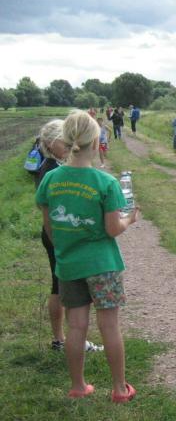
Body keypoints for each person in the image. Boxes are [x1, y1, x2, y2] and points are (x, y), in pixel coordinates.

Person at [35, 110, 139, 402]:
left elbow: (50, 227)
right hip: (103, 265)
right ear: (95, 142)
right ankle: (119, 389)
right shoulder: (105, 183)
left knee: (76, 326)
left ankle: (78, 386)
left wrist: (65, 248)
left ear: (67, 140)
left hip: (69, 264)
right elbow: (112, 229)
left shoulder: (50, 179)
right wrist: (129, 219)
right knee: (109, 325)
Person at [34, 119, 103, 354]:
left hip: (56, 233)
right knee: (61, 287)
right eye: (63, 140)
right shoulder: (52, 170)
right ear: (51, 143)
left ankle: (62, 339)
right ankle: (65, 339)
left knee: (59, 285)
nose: (68, 144)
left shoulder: (52, 166)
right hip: (59, 234)